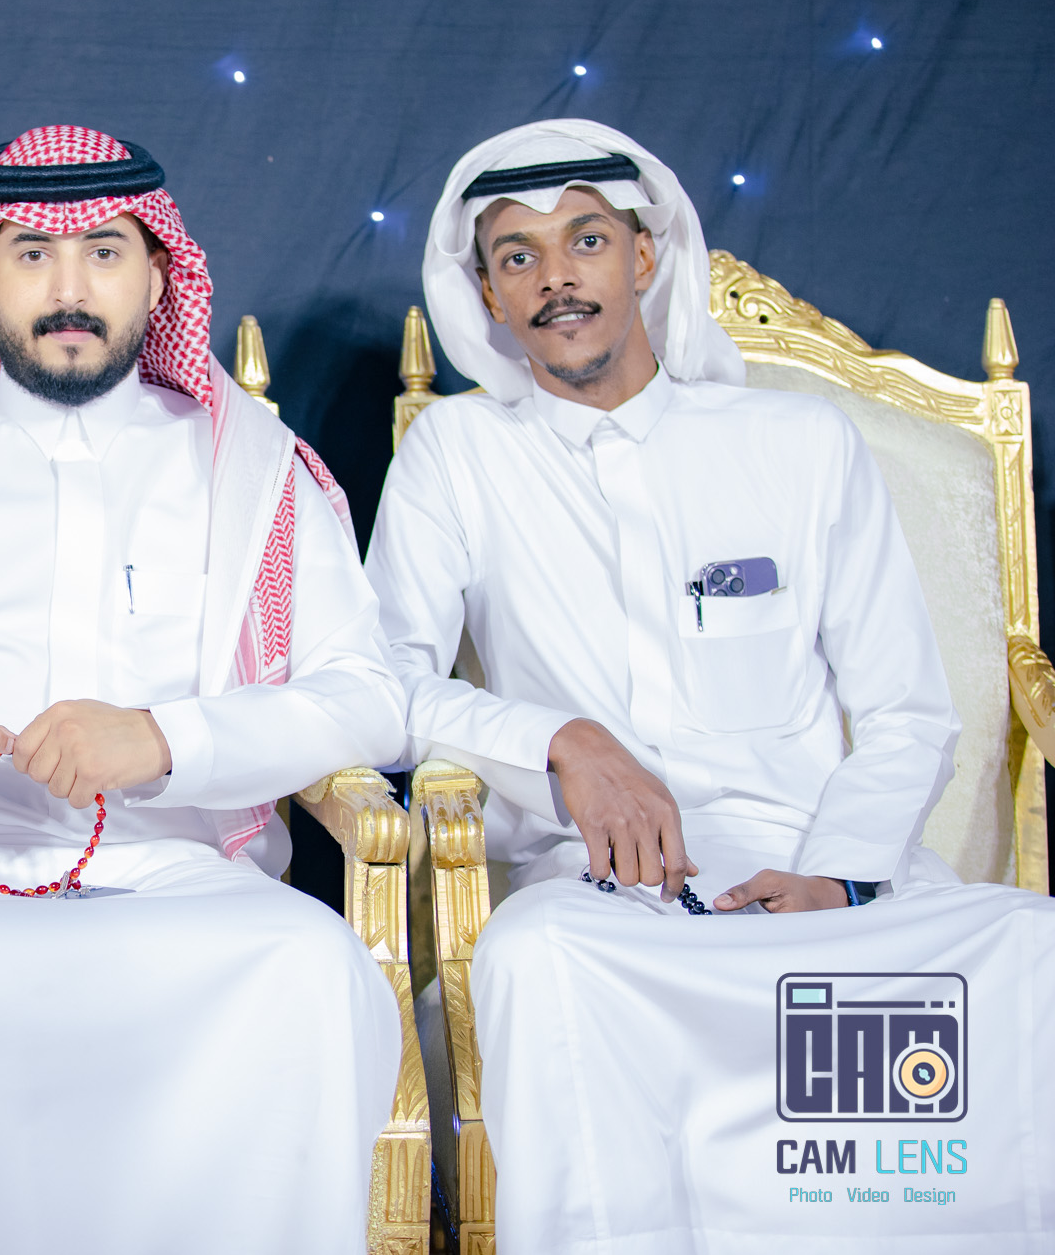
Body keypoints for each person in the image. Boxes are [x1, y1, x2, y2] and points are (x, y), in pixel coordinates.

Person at [366, 119, 1054, 1251]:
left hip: (817, 871)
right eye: (518, 255)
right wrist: (559, 740)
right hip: (604, 898)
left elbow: (906, 709)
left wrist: (840, 874)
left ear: (644, 255)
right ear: (486, 293)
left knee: (1029, 945)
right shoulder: (458, 454)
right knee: (538, 962)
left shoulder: (798, 440)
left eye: (586, 240)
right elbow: (378, 685)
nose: (556, 278)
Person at [0, 126, 407, 1254]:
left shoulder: (249, 470)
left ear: (158, 276)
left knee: (307, 966)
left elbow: (366, 699)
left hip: (173, 871)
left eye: (103, 253)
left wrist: (163, 740)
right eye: (32, 255)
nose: (68, 291)